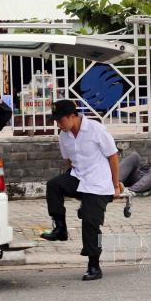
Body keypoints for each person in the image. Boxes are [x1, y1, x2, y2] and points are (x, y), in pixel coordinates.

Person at [40, 100, 120, 281]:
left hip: (98, 183)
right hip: (78, 177)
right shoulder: (64, 136)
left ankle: (94, 265)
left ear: (72, 116)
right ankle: (60, 228)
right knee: (54, 185)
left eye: (60, 121)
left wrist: (115, 185)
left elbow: (113, 156)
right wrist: (69, 177)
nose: (58, 125)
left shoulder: (96, 130)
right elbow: (68, 160)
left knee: (90, 221)